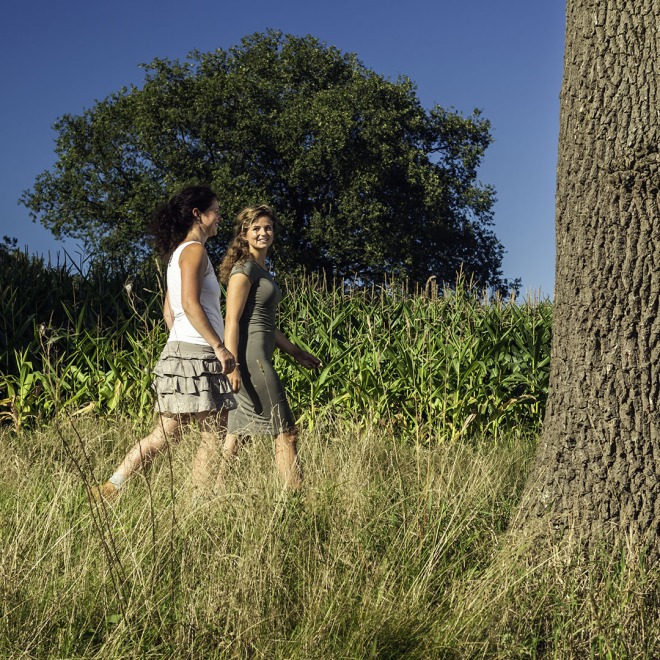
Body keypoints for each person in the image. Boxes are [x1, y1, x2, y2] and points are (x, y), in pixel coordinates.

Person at [92, 185, 236, 501]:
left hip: (179, 350)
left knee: (165, 433)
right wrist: (218, 345)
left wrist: (181, 340)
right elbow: (189, 302)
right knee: (214, 433)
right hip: (200, 353)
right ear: (199, 214)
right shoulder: (195, 250)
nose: (220, 217)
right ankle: (197, 501)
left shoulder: (177, 255)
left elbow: (169, 310)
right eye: (216, 210)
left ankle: (112, 487)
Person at [217, 205, 320, 489]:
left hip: (258, 356)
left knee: (237, 434)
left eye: (268, 228)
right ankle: (295, 497)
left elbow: (266, 325)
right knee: (286, 432)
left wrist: (296, 352)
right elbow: (232, 320)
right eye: (256, 228)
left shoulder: (262, 270)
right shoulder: (244, 270)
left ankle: (213, 495)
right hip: (251, 361)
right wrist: (233, 365)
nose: (264, 233)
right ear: (244, 233)